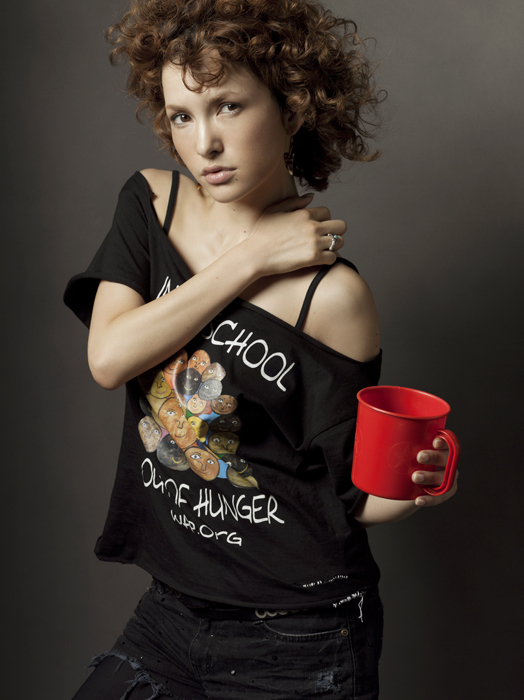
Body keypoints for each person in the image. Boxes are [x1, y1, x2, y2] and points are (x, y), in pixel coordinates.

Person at [64, 1, 458, 698]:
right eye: (182, 115)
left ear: (292, 104)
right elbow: (110, 357)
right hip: (170, 614)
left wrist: (419, 485)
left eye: (228, 106)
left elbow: (352, 497)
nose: (204, 143)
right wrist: (249, 261)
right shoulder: (150, 206)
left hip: (300, 638)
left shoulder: (333, 297)